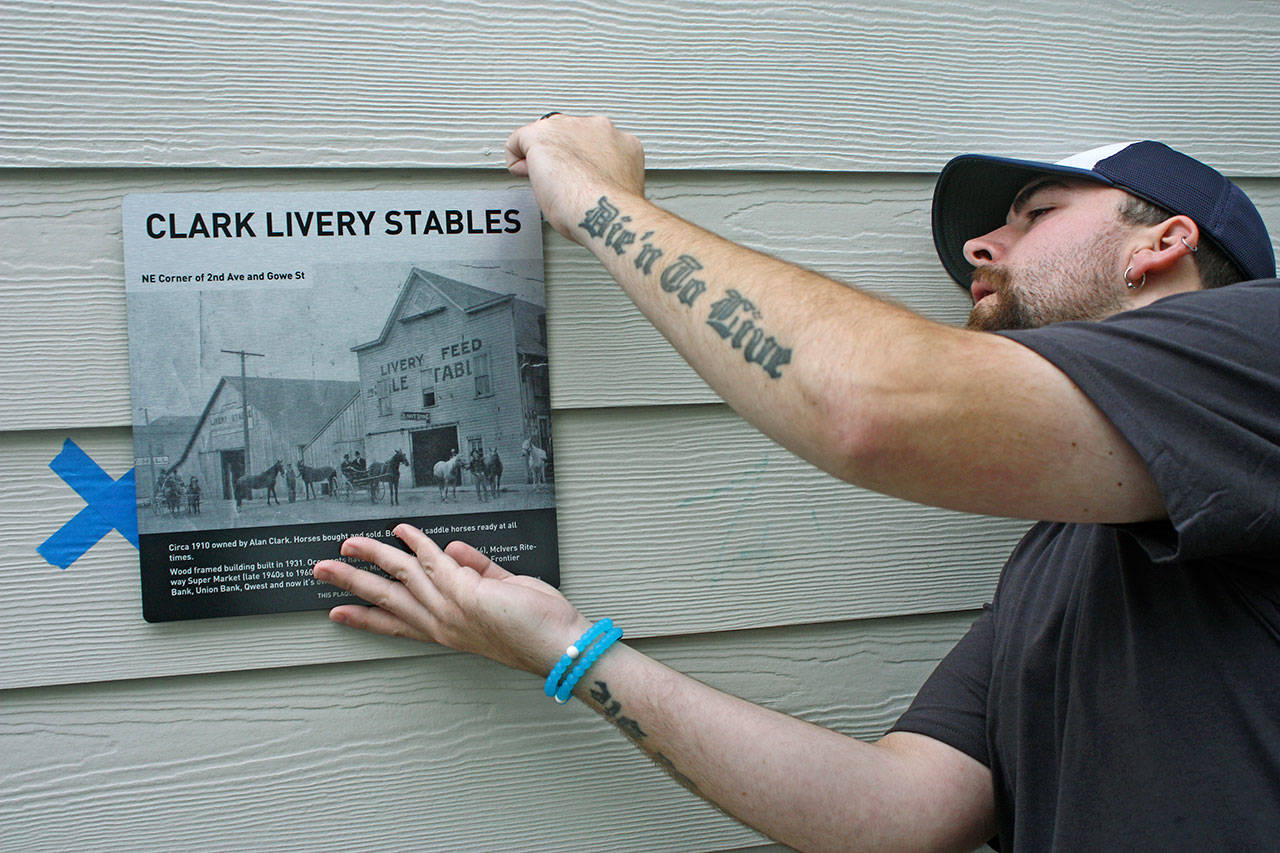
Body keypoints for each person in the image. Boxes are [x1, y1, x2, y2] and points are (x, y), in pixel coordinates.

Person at [312, 116, 1279, 850]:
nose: (982, 249)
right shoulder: (1061, 553)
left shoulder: (1265, 348)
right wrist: (565, 647)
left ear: (1162, 241)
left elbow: (873, 409)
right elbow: (897, 809)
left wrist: (597, 198)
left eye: (1033, 216)